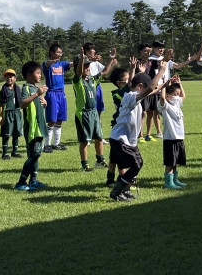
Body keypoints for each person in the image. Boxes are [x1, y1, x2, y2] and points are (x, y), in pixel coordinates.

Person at [109, 61, 168, 202]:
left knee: (138, 163)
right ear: (140, 86)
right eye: (145, 87)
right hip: (120, 139)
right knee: (135, 165)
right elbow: (150, 88)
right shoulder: (130, 97)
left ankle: (124, 188)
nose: (147, 90)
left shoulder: (136, 96)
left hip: (128, 140)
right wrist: (161, 70)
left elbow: (152, 90)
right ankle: (117, 190)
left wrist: (164, 84)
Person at [72, 47, 117, 171]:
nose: (87, 68)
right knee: (84, 141)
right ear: (77, 67)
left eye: (88, 66)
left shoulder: (92, 79)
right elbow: (79, 72)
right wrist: (82, 58)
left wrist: (110, 59)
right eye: (85, 66)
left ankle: (100, 160)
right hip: (83, 114)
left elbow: (105, 72)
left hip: (94, 112)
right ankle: (85, 164)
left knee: (99, 137)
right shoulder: (77, 81)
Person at [144, 41, 195, 141]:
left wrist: (187, 61)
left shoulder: (167, 60)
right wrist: (166, 58)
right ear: (154, 48)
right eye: (159, 48)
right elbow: (157, 65)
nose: (161, 50)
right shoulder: (151, 59)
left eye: (163, 48)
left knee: (164, 111)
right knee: (151, 112)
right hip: (155, 88)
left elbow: (177, 66)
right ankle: (149, 133)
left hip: (166, 89)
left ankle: (160, 131)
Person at [14, 61, 49, 191]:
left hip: (40, 126)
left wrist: (44, 102)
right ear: (29, 75)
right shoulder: (26, 88)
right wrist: (37, 94)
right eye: (38, 73)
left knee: (37, 153)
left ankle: (33, 180)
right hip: (32, 128)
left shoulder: (35, 89)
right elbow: (22, 103)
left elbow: (40, 105)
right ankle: (21, 182)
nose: (40, 76)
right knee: (34, 154)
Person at [105, 57, 139, 188]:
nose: (131, 80)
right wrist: (133, 69)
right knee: (121, 156)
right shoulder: (120, 93)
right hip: (121, 128)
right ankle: (124, 180)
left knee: (114, 155)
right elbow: (131, 85)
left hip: (118, 127)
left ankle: (110, 179)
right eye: (128, 78)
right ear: (119, 83)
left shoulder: (122, 92)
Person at [159, 75, 188, 189]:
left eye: (177, 94)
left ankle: (175, 179)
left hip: (179, 137)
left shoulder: (177, 104)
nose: (177, 96)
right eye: (175, 94)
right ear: (168, 96)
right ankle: (168, 182)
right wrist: (164, 85)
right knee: (170, 162)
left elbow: (183, 96)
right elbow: (162, 98)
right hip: (170, 138)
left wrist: (179, 84)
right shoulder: (165, 106)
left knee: (176, 161)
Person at [42, 44, 71, 152]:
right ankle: (47, 145)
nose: (60, 54)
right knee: (51, 120)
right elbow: (46, 64)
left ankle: (56, 144)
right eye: (58, 52)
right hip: (52, 93)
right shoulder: (47, 64)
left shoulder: (61, 64)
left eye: (61, 52)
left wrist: (87, 59)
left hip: (61, 94)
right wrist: (51, 62)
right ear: (51, 52)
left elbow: (73, 63)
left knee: (59, 120)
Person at [0, 69, 24, 160]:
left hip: (17, 113)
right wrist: (1, 116)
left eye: (11, 77)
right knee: (6, 134)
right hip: (7, 113)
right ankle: (4, 153)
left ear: (15, 78)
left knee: (16, 133)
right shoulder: (3, 90)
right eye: (7, 77)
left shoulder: (18, 89)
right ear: (5, 78)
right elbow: (1, 105)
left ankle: (15, 152)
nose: (9, 78)